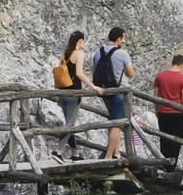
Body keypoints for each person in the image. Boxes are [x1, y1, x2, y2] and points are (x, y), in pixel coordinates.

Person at [52, 31, 104, 163]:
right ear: (80, 41)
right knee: (70, 124)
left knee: (70, 124)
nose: (84, 43)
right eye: (83, 41)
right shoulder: (79, 54)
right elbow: (79, 74)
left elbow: (60, 73)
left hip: (63, 92)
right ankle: (58, 151)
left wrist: (58, 93)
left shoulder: (65, 54)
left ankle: (75, 153)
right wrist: (93, 86)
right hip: (74, 92)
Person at [92, 27, 136, 159]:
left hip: (105, 92)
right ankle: (109, 156)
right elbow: (131, 74)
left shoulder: (97, 52)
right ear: (118, 39)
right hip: (119, 92)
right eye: (123, 38)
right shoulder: (122, 53)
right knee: (117, 125)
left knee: (112, 120)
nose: (124, 40)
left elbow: (94, 72)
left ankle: (116, 153)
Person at [153, 55, 183, 167]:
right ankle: (171, 168)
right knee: (176, 142)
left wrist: (157, 111)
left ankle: (163, 165)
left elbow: (155, 96)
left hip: (163, 113)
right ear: (182, 65)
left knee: (164, 140)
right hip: (178, 114)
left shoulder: (159, 76)